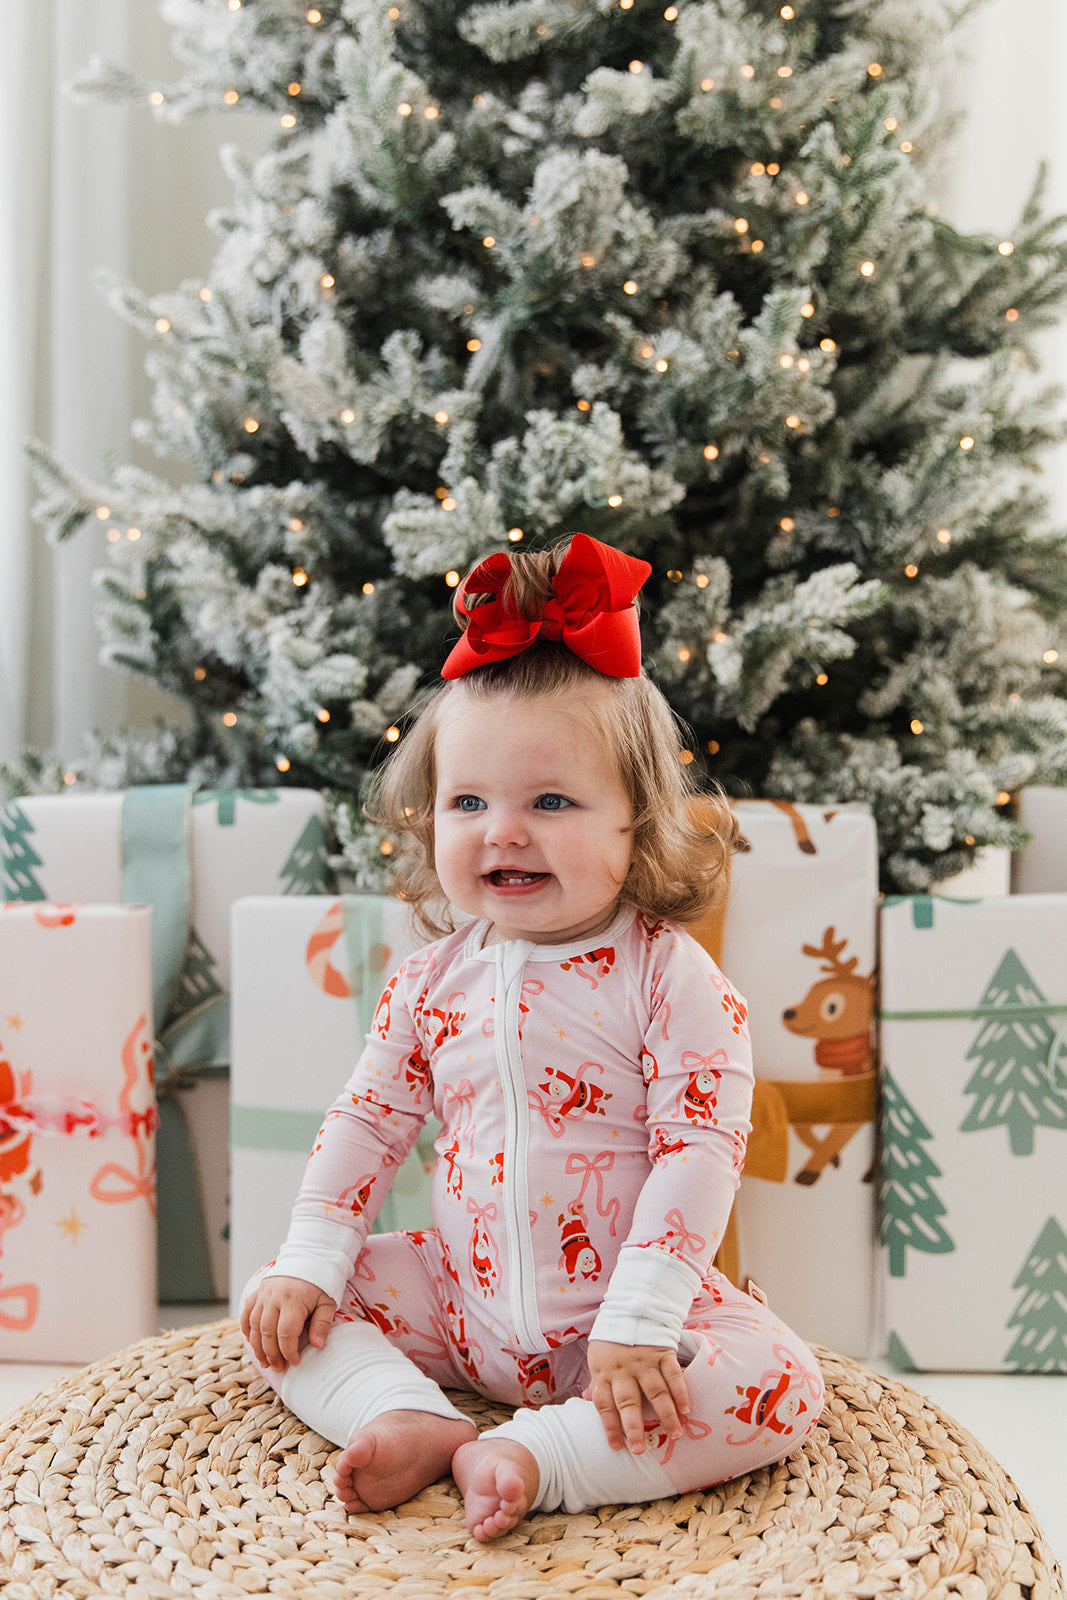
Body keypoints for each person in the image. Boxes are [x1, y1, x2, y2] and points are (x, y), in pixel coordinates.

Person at [240, 532, 825, 1541]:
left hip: (627, 1322)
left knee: (780, 1382)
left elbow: (699, 1149)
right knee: (281, 1303)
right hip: (458, 1302)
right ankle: (402, 1411)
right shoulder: (430, 980)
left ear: (637, 819)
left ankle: (543, 1454)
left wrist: (642, 1317)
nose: (500, 831)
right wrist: (314, 1256)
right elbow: (369, 1123)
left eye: (550, 801)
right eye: (467, 802)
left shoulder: (668, 977)